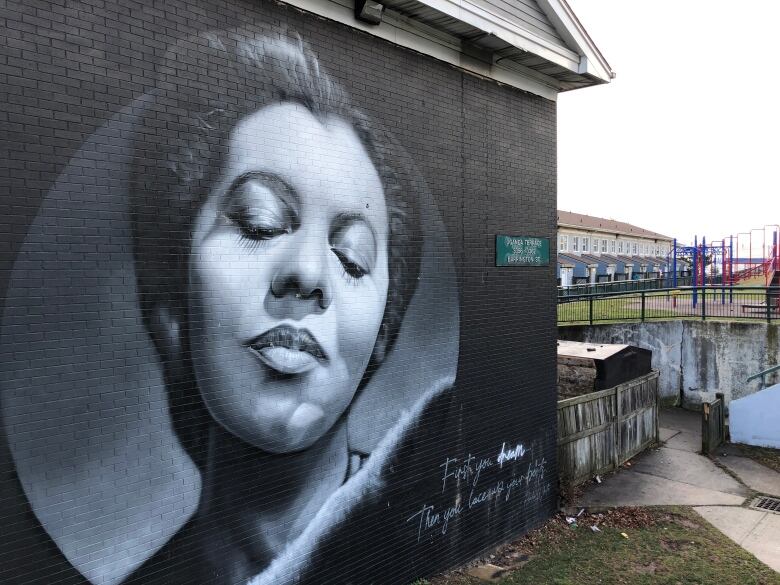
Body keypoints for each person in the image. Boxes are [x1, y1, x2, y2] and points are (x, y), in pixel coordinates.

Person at [123, 28, 437, 584]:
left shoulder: (425, 532)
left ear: (382, 335)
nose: (308, 274)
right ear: (172, 305)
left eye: (353, 257)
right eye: (258, 223)